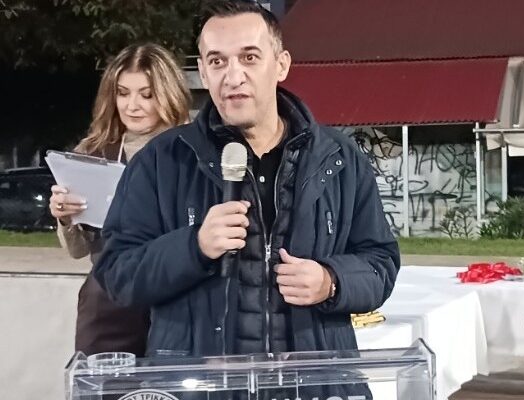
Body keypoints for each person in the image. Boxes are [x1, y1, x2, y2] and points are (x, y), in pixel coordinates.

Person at [94, 0, 399, 394]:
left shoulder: (339, 159)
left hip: (315, 386)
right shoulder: (161, 161)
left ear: (281, 65)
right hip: (201, 388)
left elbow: (380, 263)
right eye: (217, 61)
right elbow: (117, 273)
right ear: (203, 70)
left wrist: (332, 281)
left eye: (249, 58)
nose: (232, 75)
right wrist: (194, 247)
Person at [49, 43, 191, 357]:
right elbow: (77, 251)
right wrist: (65, 217)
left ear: (169, 94)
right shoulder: (92, 152)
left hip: (176, 301)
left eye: (146, 94)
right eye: (123, 93)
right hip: (107, 305)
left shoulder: (194, 151)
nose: (132, 105)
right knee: (103, 382)